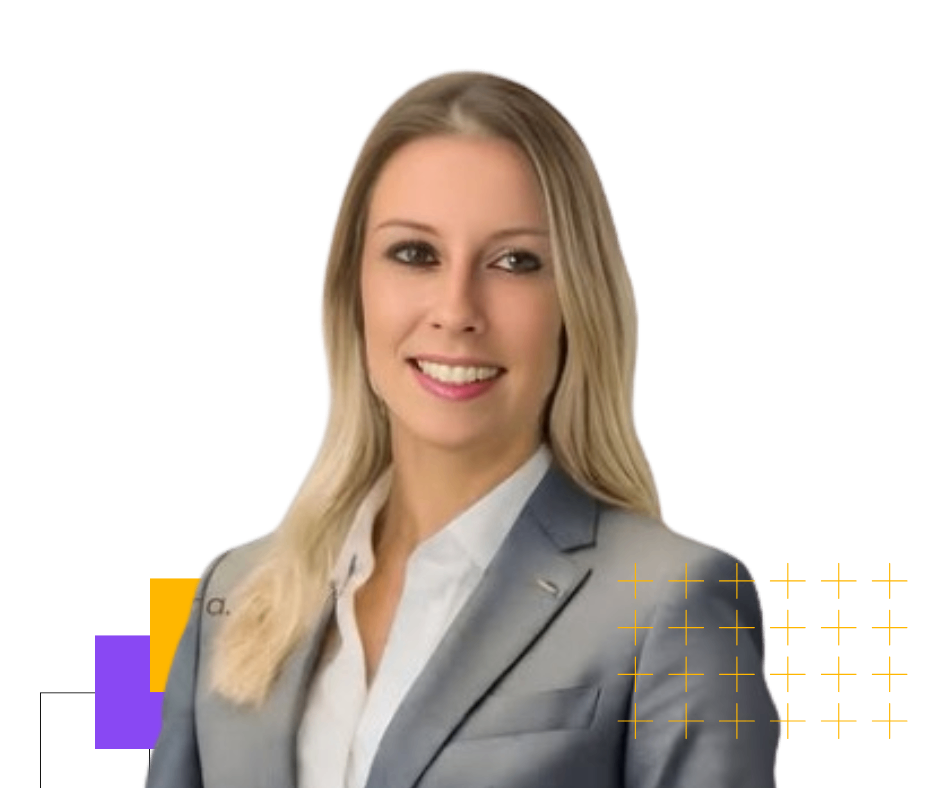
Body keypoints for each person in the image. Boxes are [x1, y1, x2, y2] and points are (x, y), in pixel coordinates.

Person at [146, 67, 780, 788]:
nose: (456, 311)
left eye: (515, 261)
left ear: (576, 301)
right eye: (415, 254)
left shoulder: (673, 596)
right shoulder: (232, 590)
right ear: (353, 287)